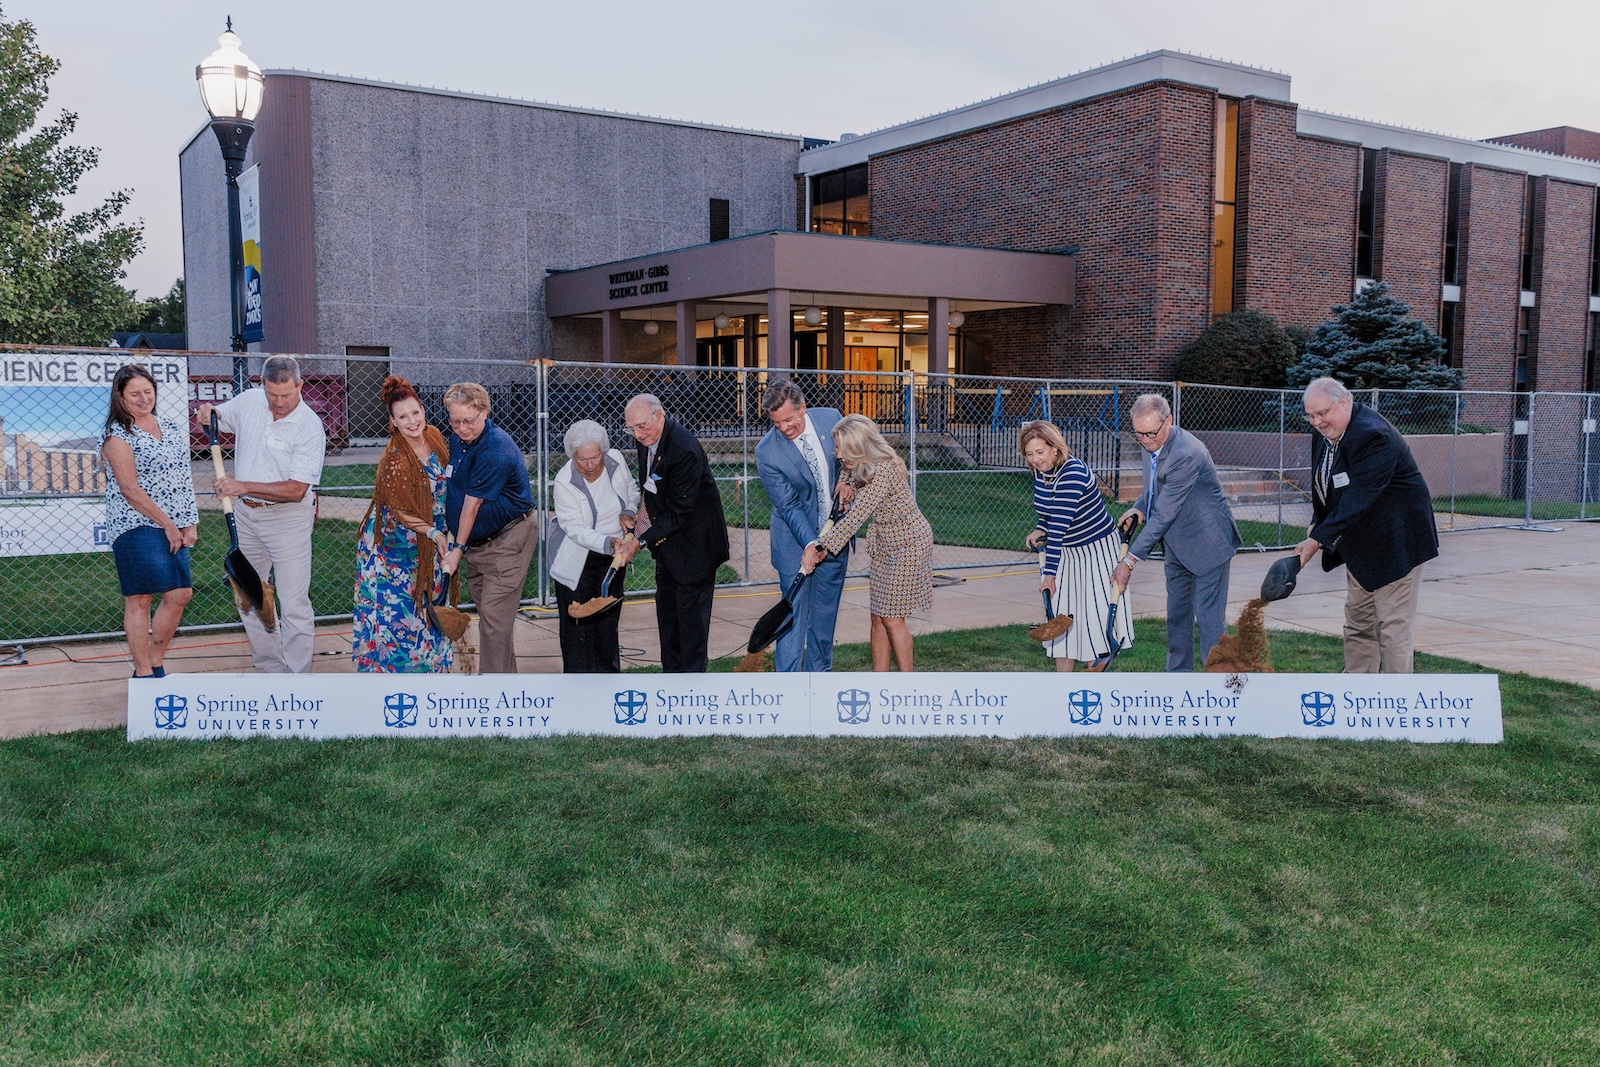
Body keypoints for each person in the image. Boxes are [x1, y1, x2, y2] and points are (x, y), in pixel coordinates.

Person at [1294, 377, 1439, 673]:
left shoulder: (1373, 436)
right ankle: (1357, 698)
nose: (1316, 422)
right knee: (1358, 623)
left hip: (1397, 543)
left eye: (1322, 413)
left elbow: (1358, 497)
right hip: (1361, 544)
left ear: (1344, 402)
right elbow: (1327, 490)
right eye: (1310, 415)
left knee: (1392, 628)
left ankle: (1396, 703)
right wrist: (1317, 524)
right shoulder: (1326, 434)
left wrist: (1317, 540)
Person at [196, 355, 327, 674]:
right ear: (261, 385)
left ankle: (298, 679)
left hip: (288, 518)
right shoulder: (249, 401)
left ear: (300, 385)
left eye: (286, 395)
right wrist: (207, 413)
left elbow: (297, 489)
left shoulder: (310, 427)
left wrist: (242, 485)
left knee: (293, 601)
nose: (279, 402)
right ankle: (272, 671)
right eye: (272, 394)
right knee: (250, 595)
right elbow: (216, 418)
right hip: (246, 515)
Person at [1111, 393, 1240, 671]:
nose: (1145, 440)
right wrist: (1139, 507)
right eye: (1139, 434)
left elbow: (1165, 514)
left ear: (1168, 421)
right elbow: (1155, 490)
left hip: (1209, 544)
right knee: (1177, 616)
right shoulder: (1152, 444)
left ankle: (1221, 688)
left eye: (1151, 433)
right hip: (1177, 546)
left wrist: (1129, 561)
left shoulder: (1186, 454)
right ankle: (1179, 680)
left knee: (1209, 622)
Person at [802, 413, 933, 672]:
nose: (838, 454)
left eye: (841, 448)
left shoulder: (884, 469)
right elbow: (845, 473)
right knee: (877, 617)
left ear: (858, 447)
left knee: (892, 618)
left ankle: (909, 688)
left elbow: (856, 517)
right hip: (885, 544)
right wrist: (843, 483)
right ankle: (879, 684)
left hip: (909, 544)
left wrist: (821, 547)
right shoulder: (858, 463)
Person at [101, 364, 199, 679]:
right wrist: (167, 524)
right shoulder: (117, 437)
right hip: (135, 523)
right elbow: (130, 489)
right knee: (140, 598)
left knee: (180, 594)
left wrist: (188, 521)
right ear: (120, 397)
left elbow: (183, 477)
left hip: (172, 523)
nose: (144, 399)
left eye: (148, 391)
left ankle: (155, 660)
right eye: (134, 394)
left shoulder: (169, 426)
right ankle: (144, 672)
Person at [351, 375, 454, 673]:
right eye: (403, 417)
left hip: (426, 542)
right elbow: (397, 509)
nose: (412, 421)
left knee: (428, 610)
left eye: (415, 412)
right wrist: (434, 531)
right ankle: (392, 680)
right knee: (397, 617)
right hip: (391, 548)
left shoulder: (434, 436)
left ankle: (430, 672)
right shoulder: (394, 458)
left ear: (423, 410)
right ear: (393, 422)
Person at [624, 393, 730, 673]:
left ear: (659, 416)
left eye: (641, 426)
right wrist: (637, 523)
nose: (637, 434)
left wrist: (640, 541)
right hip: (669, 547)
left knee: (691, 630)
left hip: (696, 549)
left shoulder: (684, 449)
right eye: (631, 428)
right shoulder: (648, 440)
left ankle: (691, 693)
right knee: (669, 622)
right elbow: (651, 488)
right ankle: (670, 683)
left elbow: (680, 510)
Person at [439, 382, 536, 675]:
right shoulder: (460, 439)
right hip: (479, 545)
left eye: (468, 420)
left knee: (494, 624)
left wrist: (456, 549)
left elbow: (472, 505)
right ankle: (509, 693)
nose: (461, 428)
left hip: (508, 540)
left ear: (485, 412)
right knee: (496, 623)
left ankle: (491, 700)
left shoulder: (495, 448)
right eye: (454, 420)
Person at [755, 378, 851, 672]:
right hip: (795, 545)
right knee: (792, 622)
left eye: (788, 419)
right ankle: (789, 690)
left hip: (836, 542)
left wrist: (848, 480)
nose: (783, 428)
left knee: (823, 621)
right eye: (776, 423)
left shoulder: (832, 420)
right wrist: (812, 544)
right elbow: (788, 505)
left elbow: (854, 459)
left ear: (803, 408)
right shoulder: (767, 451)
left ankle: (819, 683)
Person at [1020, 420, 1132, 671]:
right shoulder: (1042, 471)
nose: (1035, 459)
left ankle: (1089, 692)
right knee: (1063, 619)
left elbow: (1059, 527)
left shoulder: (1072, 473)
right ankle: (1063, 690)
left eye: (1040, 452)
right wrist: (1040, 526)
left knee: (1092, 622)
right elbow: (1048, 511)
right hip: (1069, 553)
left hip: (1096, 552)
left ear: (1055, 448)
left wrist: (1049, 575)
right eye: (1029, 454)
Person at [549, 419, 641, 673]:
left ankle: (608, 684)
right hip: (578, 559)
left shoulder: (616, 460)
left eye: (595, 457)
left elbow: (632, 490)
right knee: (577, 632)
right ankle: (577, 687)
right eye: (582, 459)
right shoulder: (564, 481)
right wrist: (608, 542)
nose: (590, 465)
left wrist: (628, 511)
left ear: (603, 451)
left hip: (614, 556)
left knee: (607, 627)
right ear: (572, 456)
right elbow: (575, 529)